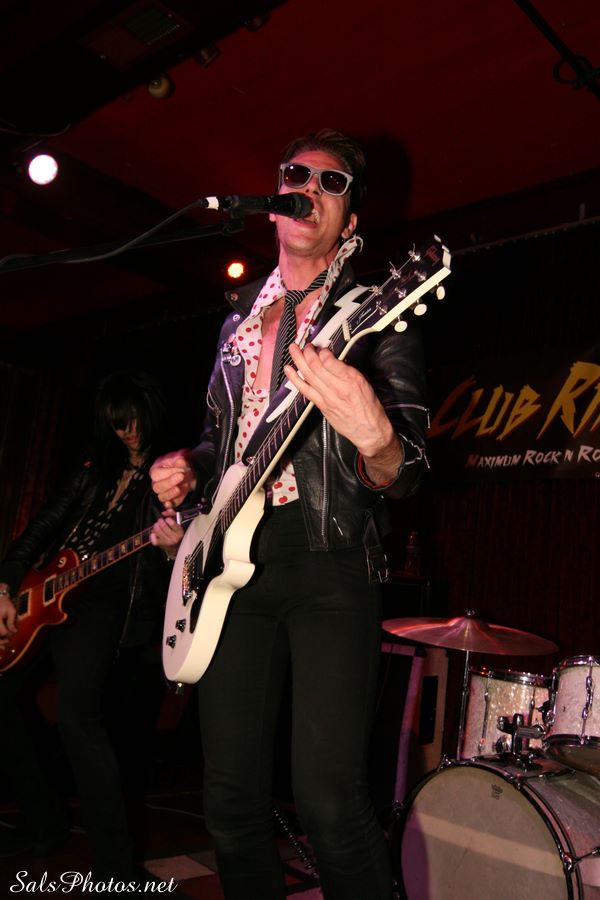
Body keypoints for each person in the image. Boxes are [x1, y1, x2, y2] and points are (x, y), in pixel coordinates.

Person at [150, 129, 428, 899]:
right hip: (228, 567)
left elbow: (406, 469)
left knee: (330, 803)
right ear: (274, 200)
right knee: (229, 799)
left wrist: (378, 439)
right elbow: (225, 441)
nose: (309, 188)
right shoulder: (237, 322)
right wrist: (188, 466)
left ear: (350, 221)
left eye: (331, 183)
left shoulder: (376, 313)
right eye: (296, 174)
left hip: (328, 557)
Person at [0, 369, 180, 881]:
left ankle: (115, 870)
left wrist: (172, 552)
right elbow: (42, 526)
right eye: (117, 424)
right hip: (45, 592)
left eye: (133, 420)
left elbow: (186, 558)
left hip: (103, 602)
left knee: (79, 720)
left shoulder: (174, 474)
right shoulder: (93, 469)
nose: (128, 432)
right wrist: (6, 585)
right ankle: (45, 820)